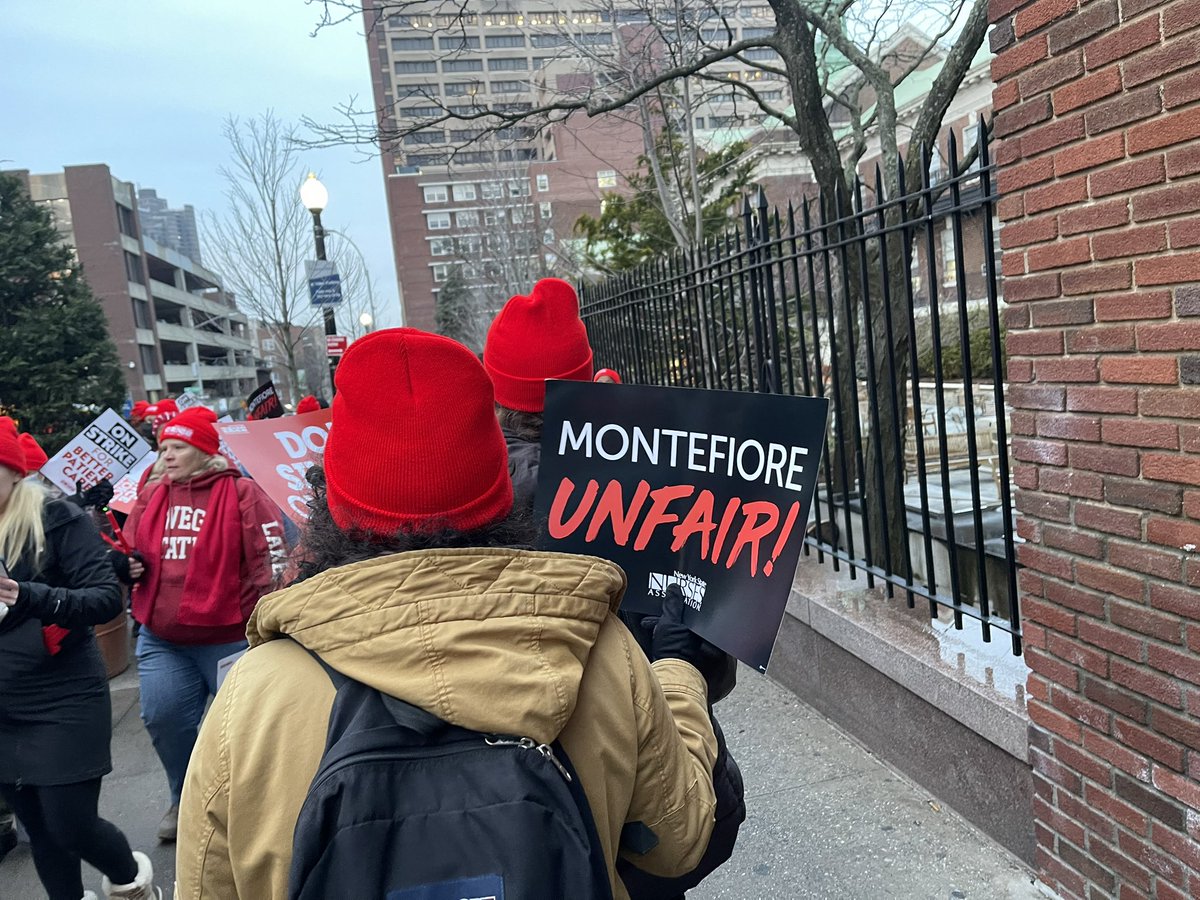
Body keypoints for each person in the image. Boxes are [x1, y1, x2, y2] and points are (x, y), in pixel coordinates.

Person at [175, 328, 718, 899]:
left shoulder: (255, 695)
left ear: (331, 499)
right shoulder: (602, 654)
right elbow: (676, 841)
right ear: (499, 493)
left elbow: (207, 884)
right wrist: (679, 673)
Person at [483, 278, 745, 900]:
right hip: (641, 766)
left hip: (520, 792)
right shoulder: (651, 474)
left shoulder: (472, 496)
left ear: (495, 394)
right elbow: (707, 640)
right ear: (583, 378)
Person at [0, 418, 160, 899]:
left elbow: (105, 599)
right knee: (39, 829)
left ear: (11, 470)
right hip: (4, 705)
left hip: (62, 697)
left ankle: (132, 879)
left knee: (69, 823)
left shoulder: (55, 517)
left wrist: (27, 594)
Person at [117, 406, 287, 844]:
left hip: (229, 638)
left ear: (203, 451)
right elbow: (131, 544)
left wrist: (267, 622)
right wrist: (127, 566)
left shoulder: (242, 492)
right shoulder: (153, 494)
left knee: (242, 732)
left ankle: (247, 805)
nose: (167, 456)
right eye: (164, 448)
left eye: (178, 447)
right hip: (163, 638)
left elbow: (271, 558)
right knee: (163, 717)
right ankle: (185, 799)